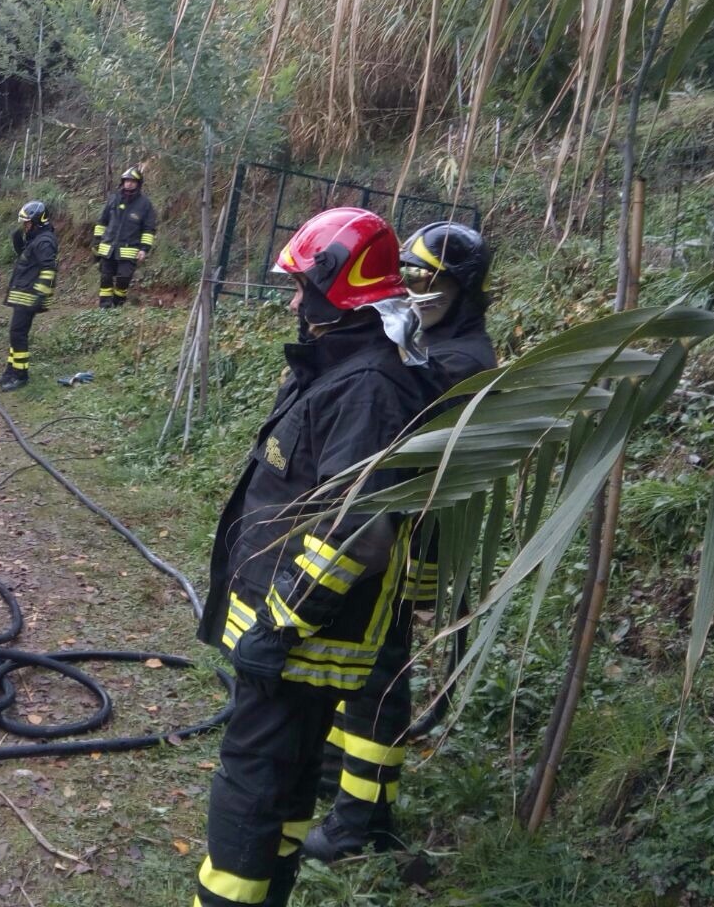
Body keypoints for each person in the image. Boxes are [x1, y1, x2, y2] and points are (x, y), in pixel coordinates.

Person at [194, 207, 429, 907]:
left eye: (302, 286)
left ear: (339, 287)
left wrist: (281, 625)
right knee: (289, 789)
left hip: (299, 641)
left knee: (250, 790)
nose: (295, 300)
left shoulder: (367, 386)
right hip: (291, 637)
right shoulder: (337, 365)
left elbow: (360, 530)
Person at [303, 221, 496, 862]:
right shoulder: (431, 338)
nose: (413, 288)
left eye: (427, 278)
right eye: (405, 275)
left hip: (411, 537)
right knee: (356, 658)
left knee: (380, 673)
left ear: (462, 287)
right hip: (382, 523)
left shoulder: (466, 360)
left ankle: (362, 822)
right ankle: (332, 780)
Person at [0, 201, 57, 391]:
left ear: (38, 221)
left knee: (18, 334)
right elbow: (28, 261)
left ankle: (21, 375)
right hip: (23, 294)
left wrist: (40, 294)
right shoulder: (36, 239)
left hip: (29, 296)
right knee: (15, 334)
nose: (25, 226)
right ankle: (10, 371)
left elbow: (48, 270)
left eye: (28, 223)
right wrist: (19, 245)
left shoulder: (45, 241)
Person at [93, 167, 156, 308]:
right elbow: (102, 222)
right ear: (123, 182)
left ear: (138, 184)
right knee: (105, 278)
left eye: (132, 181)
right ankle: (104, 307)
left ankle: (118, 304)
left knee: (124, 279)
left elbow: (148, 230)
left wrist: (144, 249)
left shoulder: (145, 205)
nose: (129, 184)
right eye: (127, 181)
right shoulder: (113, 199)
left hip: (129, 250)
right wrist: (97, 241)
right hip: (108, 247)